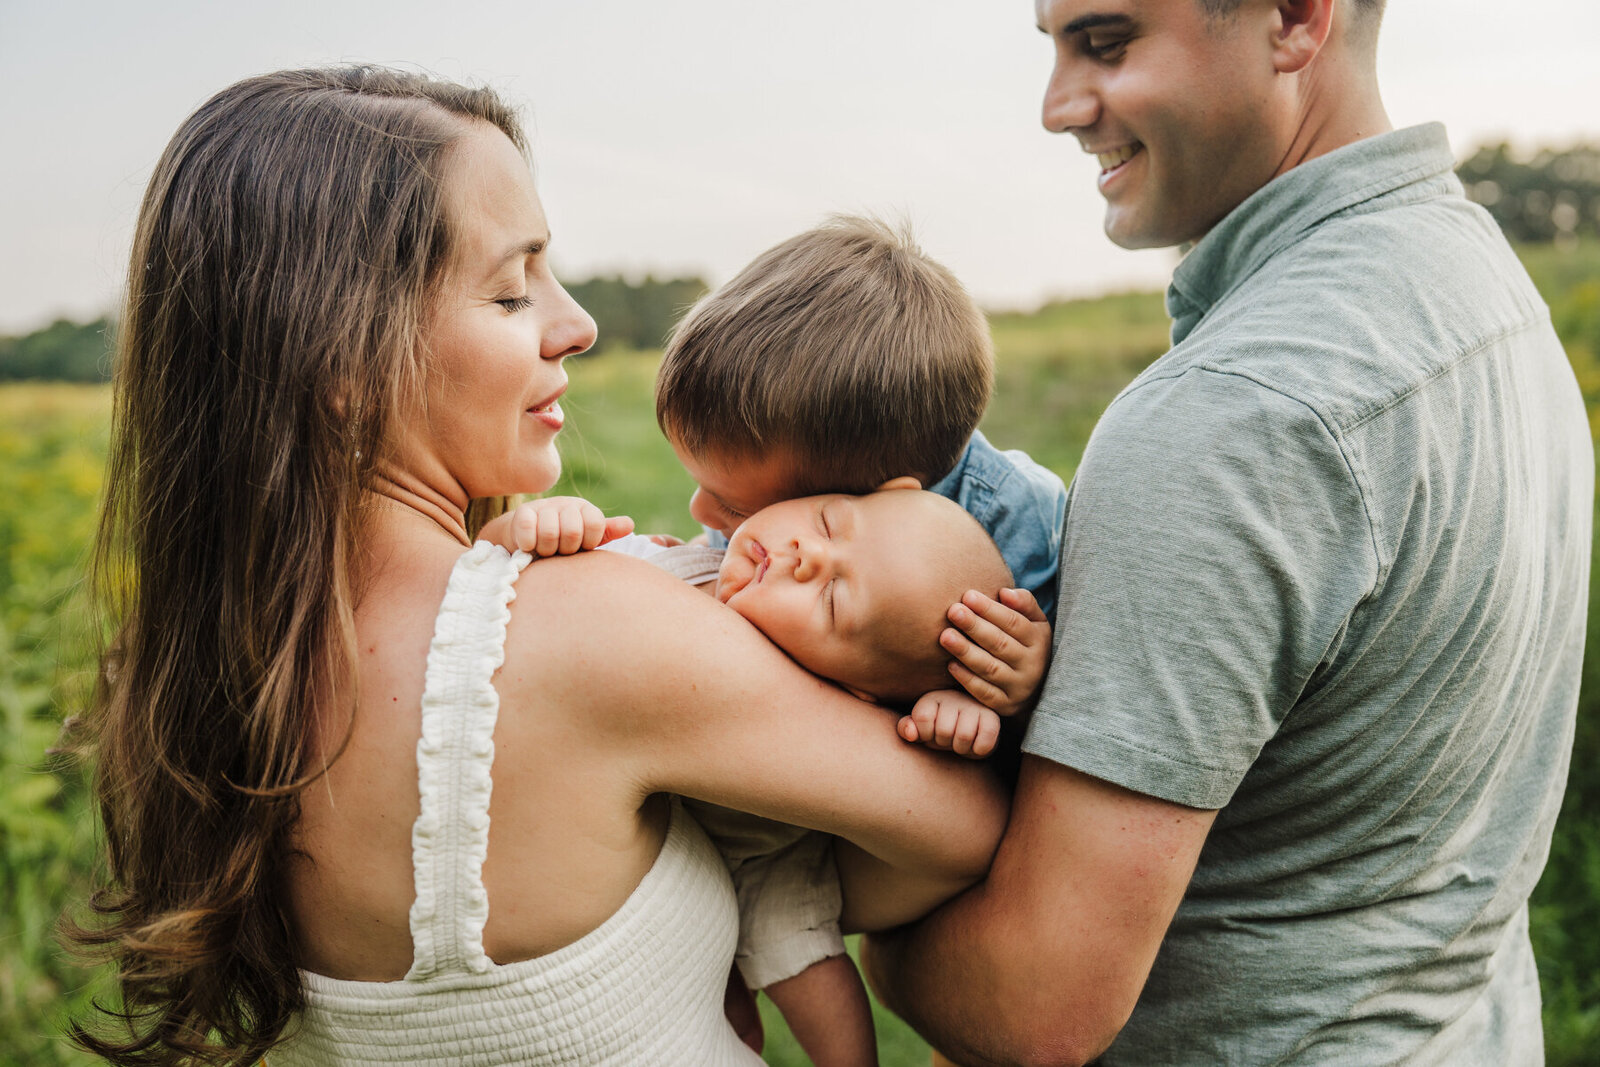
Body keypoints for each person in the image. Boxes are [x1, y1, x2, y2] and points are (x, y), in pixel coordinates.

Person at [66, 67, 1010, 1067]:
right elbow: (960, 826)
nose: (577, 324)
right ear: (341, 365)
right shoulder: (587, 633)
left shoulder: (193, 679)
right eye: (512, 290)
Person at [862, 1, 1593, 1064]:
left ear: (1295, 18)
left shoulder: (1230, 413)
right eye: (1052, 47)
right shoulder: (1479, 278)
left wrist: (822, 869)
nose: (1057, 107)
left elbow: (1027, 1004)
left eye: (1106, 44)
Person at [487, 487, 1039, 1066]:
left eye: (831, 600)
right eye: (829, 521)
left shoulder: (835, 705)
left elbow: (912, 763)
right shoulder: (653, 567)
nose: (809, 557)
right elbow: (487, 578)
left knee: (802, 958)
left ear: (856, 692)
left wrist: (956, 720)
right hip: (614, 833)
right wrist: (533, 526)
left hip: (760, 850)